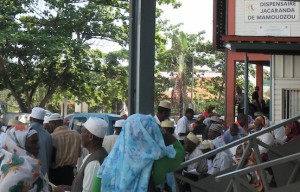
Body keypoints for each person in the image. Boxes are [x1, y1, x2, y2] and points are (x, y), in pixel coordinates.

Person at [96, 114, 185, 192]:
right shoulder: (158, 162)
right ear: (153, 133)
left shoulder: (108, 163)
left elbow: (95, 188)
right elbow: (180, 151)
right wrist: (161, 130)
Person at [0, 125, 49, 191]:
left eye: (37, 141)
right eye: (33, 142)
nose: (38, 146)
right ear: (19, 144)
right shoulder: (19, 170)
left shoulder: (29, 164)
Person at [48, 113, 81, 186]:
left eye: (50, 124)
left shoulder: (52, 137)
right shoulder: (76, 135)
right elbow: (79, 154)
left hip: (55, 174)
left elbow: (51, 158)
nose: (49, 127)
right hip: (70, 173)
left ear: (54, 123)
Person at [29, 107, 53, 176]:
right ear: (42, 121)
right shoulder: (48, 135)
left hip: (28, 173)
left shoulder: (26, 132)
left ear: (30, 118)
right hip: (44, 174)